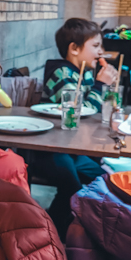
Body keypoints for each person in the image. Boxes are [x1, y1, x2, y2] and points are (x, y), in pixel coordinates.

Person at [35, 18, 118, 238]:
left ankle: (79, 230)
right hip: (48, 148)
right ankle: (52, 233)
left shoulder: (86, 72)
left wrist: (109, 90)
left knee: (103, 180)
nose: (101, 52)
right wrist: (100, 85)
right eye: (96, 45)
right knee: (71, 186)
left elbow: (97, 111)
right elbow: (79, 112)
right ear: (74, 48)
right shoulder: (61, 73)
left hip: (72, 147)